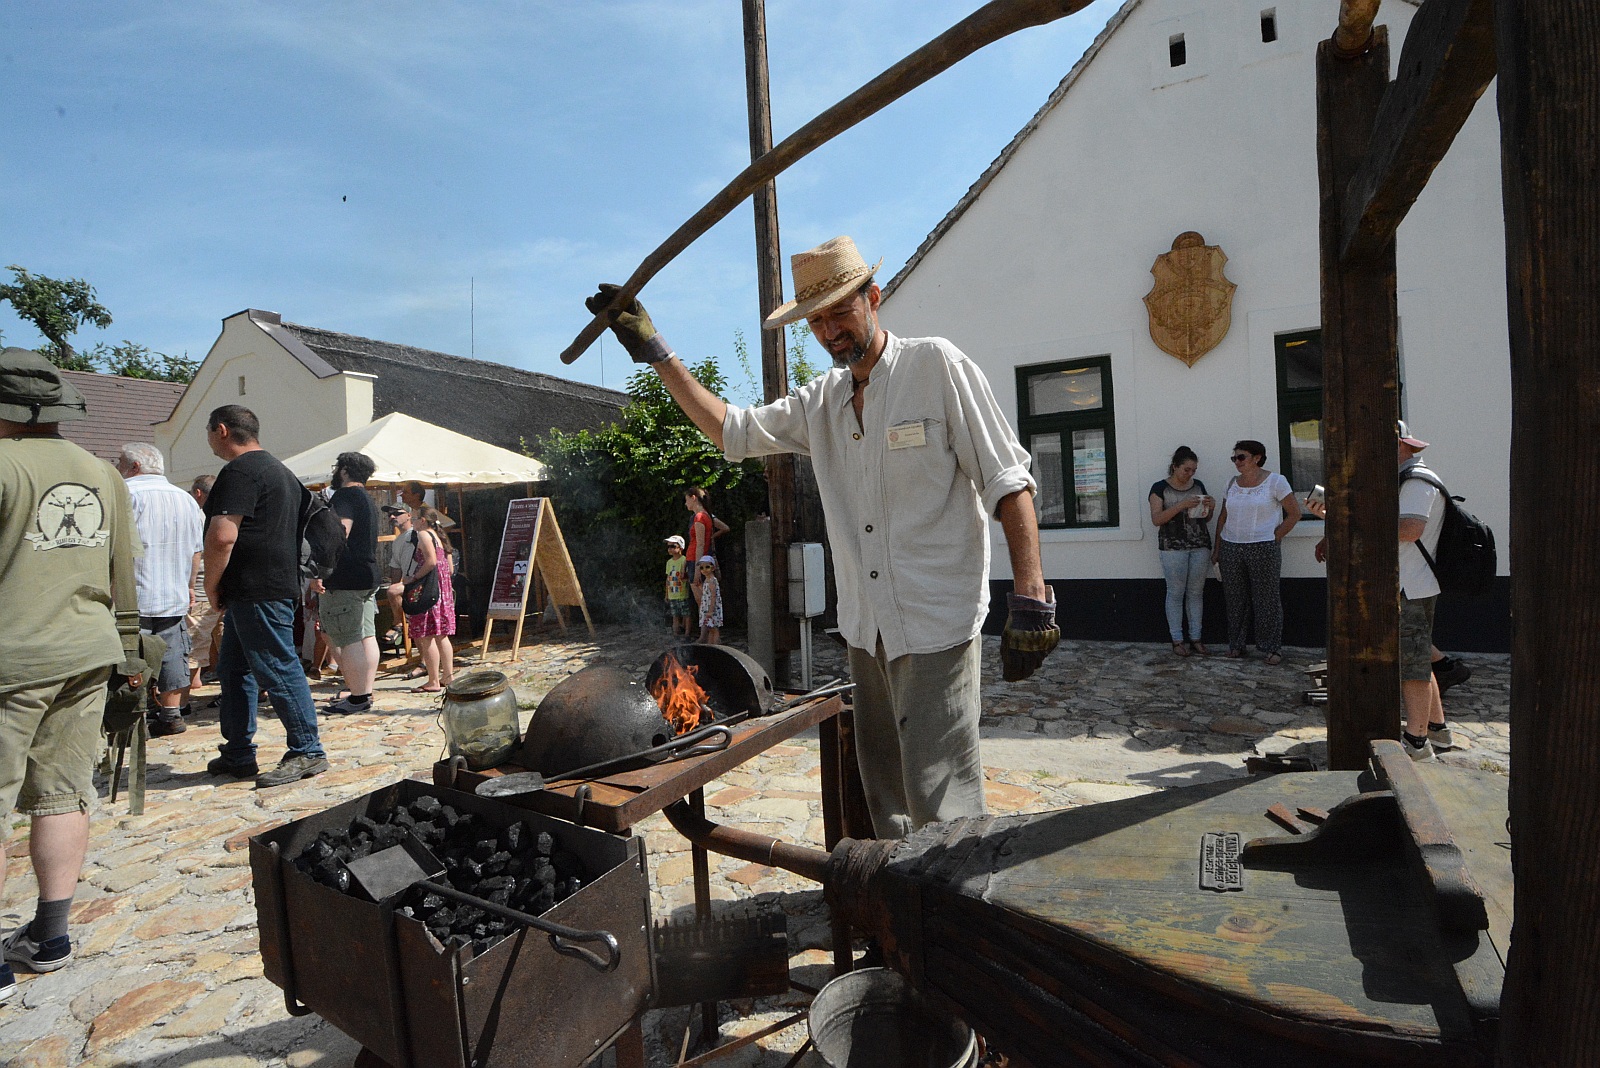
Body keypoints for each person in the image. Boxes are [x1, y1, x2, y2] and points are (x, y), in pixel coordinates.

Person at [587, 235, 1058, 839]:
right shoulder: (822, 403)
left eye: (841, 309)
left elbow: (1007, 481)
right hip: (867, 632)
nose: (831, 330)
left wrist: (1031, 596)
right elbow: (731, 430)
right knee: (885, 798)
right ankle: (899, 917)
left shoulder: (936, 367)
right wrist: (656, 350)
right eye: (817, 320)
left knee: (943, 800)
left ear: (874, 297)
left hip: (937, 625)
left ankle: (951, 919)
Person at [0, 348, 141, 1001]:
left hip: (12, 655)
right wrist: (133, 653)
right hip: (88, 653)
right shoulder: (102, 473)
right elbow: (124, 576)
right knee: (64, 791)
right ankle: (50, 934)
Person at [202, 405, 329, 786]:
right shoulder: (281, 471)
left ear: (221, 430)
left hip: (255, 588)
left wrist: (211, 587)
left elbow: (222, 535)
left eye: (208, 432)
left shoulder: (239, 471)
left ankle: (308, 751)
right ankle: (238, 752)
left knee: (277, 666)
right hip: (271, 584)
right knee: (234, 669)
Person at [116, 442, 205, 736]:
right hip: (172, 593)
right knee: (172, 654)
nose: (117, 469)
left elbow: (114, 547)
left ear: (135, 467)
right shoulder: (186, 499)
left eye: (120, 463)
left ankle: (131, 719)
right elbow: (196, 551)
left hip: (133, 595)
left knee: (131, 658)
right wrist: (190, 586)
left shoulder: (127, 495)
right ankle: (171, 713)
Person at [1212, 439, 1301, 664]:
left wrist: (1276, 536)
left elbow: (1294, 513)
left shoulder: (1275, 482)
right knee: (1234, 598)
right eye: (1234, 458)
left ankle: (1271, 647)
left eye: (1241, 457)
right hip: (1231, 546)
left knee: (1267, 598)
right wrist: (1218, 548)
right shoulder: (1231, 483)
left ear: (1257, 457)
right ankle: (1237, 645)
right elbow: (1223, 516)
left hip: (1263, 546)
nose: (1237, 462)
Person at [316, 452, 381, 715]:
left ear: (344, 471)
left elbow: (339, 532)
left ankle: (357, 697)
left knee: (348, 638)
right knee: (367, 635)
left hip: (345, 577)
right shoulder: (368, 499)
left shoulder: (344, 496)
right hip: (367, 574)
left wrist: (320, 569)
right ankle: (364, 690)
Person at [1148, 445, 1214, 656]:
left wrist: (1210, 508)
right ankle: (1177, 640)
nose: (1190, 474)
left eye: (1193, 470)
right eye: (1186, 469)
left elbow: (1206, 519)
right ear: (1175, 467)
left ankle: (1196, 637)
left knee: (1196, 593)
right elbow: (1157, 519)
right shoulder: (1160, 488)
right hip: (1173, 547)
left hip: (1199, 545)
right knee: (1175, 593)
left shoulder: (1199, 485)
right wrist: (1181, 505)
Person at [406, 505, 457, 692]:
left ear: (422, 520)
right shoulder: (440, 536)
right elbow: (449, 568)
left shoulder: (424, 535)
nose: (412, 522)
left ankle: (433, 680)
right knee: (441, 635)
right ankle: (448, 676)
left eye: (414, 519)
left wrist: (414, 578)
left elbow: (431, 561)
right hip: (442, 591)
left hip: (428, 590)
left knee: (426, 635)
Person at [186, 475, 223, 692]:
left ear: (198, 493)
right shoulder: (226, 514)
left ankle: (190, 685)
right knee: (221, 634)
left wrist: (190, 586)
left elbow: (195, 553)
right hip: (223, 584)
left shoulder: (198, 516)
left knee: (195, 639)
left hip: (201, 585)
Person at [381, 504, 418, 647]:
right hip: (408, 582)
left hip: (422, 581)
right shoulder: (398, 540)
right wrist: (395, 583)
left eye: (396, 513)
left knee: (393, 591)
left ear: (409, 515)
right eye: (390, 514)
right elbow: (395, 567)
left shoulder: (417, 534)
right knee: (392, 590)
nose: (392, 517)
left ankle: (398, 625)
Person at [663, 535, 692, 635]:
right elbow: (668, 579)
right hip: (672, 594)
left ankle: (687, 633)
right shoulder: (669, 562)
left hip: (682, 593)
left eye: (673, 546)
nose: (670, 549)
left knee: (686, 614)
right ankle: (676, 633)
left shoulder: (684, 560)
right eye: (668, 547)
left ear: (680, 548)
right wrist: (666, 594)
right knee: (675, 615)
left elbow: (687, 576)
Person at [696, 556, 723, 644]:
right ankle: (711, 644)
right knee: (710, 627)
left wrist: (710, 610)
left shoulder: (712, 581)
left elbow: (713, 596)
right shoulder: (707, 580)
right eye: (702, 568)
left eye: (707, 567)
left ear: (713, 568)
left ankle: (716, 643)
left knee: (714, 628)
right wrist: (700, 587)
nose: (704, 570)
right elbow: (706, 593)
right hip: (706, 606)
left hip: (711, 607)